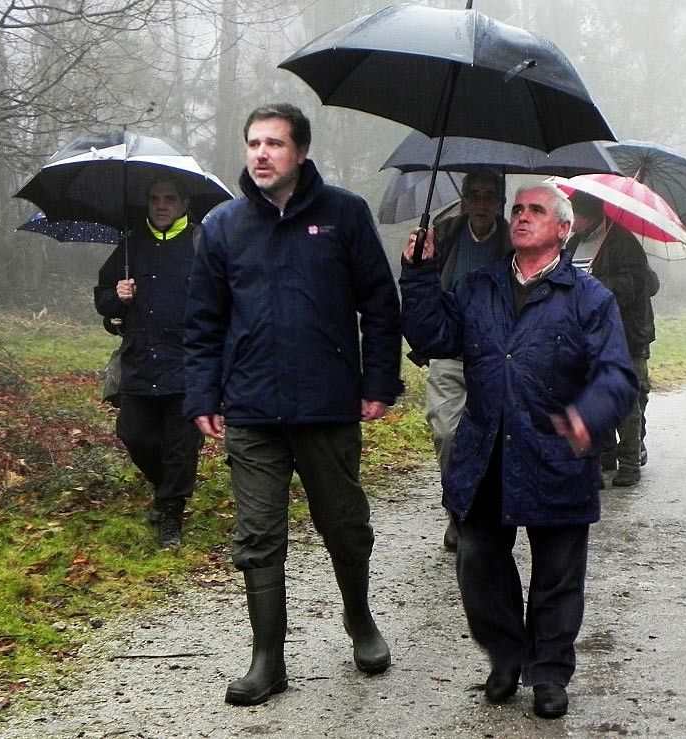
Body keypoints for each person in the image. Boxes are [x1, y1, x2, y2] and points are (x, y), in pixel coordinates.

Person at [183, 103, 404, 705]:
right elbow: (203, 321)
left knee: (344, 524)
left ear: (300, 152)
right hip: (251, 409)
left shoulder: (344, 215)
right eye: (253, 143)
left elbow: (380, 304)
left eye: (274, 144)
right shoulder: (223, 226)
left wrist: (380, 381)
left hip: (328, 404)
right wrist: (203, 392)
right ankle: (267, 659)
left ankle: (359, 620)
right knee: (257, 534)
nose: (261, 154)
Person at [400, 183, 637, 719]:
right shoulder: (479, 286)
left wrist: (588, 415)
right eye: (518, 209)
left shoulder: (589, 298)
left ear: (562, 228)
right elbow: (433, 335)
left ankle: (550, 672)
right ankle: (507, 655)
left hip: (554, 453)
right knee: (479, 563)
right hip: (487, 451)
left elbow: (617, 375)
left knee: (557, 575)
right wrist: (417, 273)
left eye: (536, 210)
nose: (522, 217)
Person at [94, 175, 204, 548]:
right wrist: (117, 298)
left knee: (182, 443)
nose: (160, 205)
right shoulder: (131, 245)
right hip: (141, 360)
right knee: (134, 435)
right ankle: (165, 489)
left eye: (169, 198)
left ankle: (171, 513)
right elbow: (103, 300)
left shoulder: (202, 242)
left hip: (189, 362)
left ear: (184, 203)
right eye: (154, 198)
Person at [422, 169, 511, 551]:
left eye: (490, 195)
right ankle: (457, 512)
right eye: (474, 194)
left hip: (496, 359)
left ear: (500, 202)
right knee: (447, 435)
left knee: (492, 442)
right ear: (463, 199)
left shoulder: (516, 239)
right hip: (449, 354)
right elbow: (420, 285)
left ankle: (478, 516)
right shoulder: (442, 233)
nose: (481, 202)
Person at [564, 190, 658, 487]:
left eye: (574, 213)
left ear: (589, 214)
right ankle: (604, 455)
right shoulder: (574, 242)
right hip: (586, 336)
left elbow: (635, 285)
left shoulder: (623, 243)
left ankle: (630, 462)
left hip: (624, 335)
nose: (570, 219)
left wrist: (594, 284)